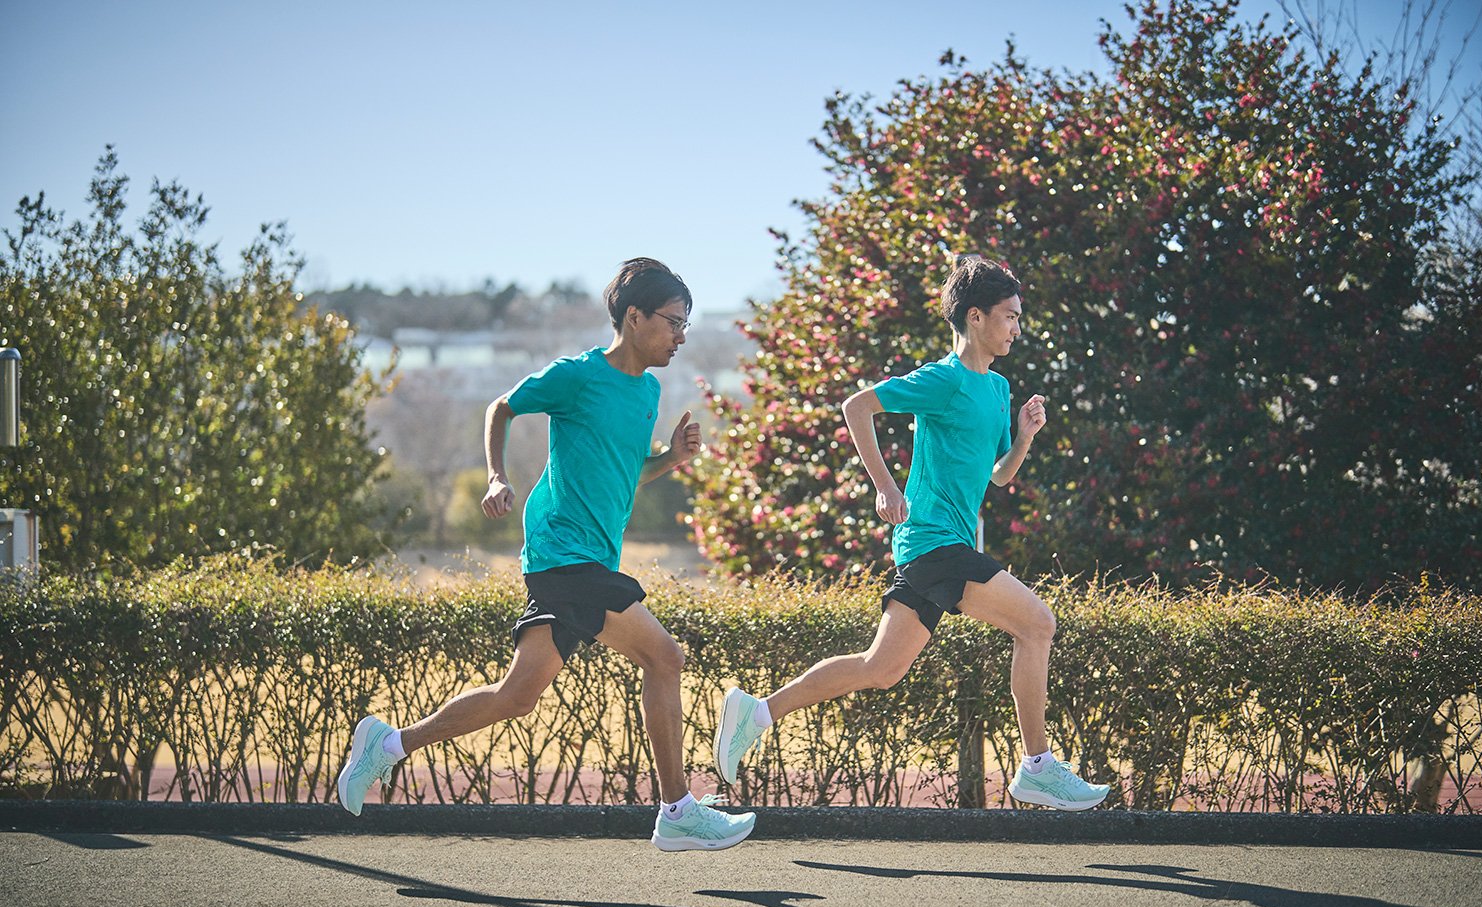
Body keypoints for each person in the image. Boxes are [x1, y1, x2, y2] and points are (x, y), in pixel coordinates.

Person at [338, 257, 756, 851]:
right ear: (634, 318)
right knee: (665, 658)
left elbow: (627, 475)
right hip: (565, 552)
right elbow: (500, 408)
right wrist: (493, 476)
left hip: (588, 559)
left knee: (517, 697)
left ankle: (385, 745)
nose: (681, 337)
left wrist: (672, 461)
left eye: (686, 325)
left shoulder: (650, 391)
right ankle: (677, 809)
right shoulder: (579, 375)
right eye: (672, 322)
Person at [713, 254, 1109, 811]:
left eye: (1020, 317)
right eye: (1009, 316)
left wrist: (1023, 437)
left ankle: (755, 712)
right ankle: (1037, 768)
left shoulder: (998, 390)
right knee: (1038, 625)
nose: (1017, 328)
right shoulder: (941, 380)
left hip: (943, 549)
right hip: (933, 543)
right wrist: (885, 487)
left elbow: (998, 476)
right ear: (975, 316)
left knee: (882, 669)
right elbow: (857, 408)